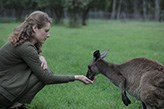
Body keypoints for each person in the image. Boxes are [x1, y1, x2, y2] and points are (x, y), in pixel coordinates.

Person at [0, 11, 93, 109]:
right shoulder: (25, 47)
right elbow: (47, 78)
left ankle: (16, 105)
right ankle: (15, 106)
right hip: (2, 95)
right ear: (35, 28)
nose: (48, 35)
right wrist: (76, 77)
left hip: (4, 90)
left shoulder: (23, 42)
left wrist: (40, 56)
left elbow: (31, 57)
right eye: (46, 30)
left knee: (42, 71)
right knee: (44, 74)